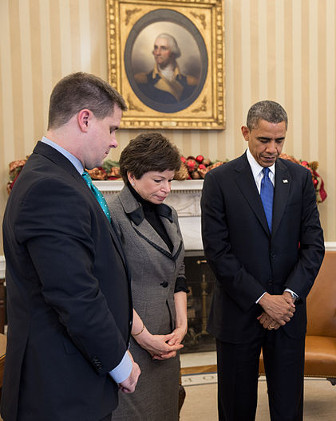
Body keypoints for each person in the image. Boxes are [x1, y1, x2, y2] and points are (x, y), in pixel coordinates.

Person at [1, 72, 141, 421]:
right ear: (84, 119)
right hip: (59, 390)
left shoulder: (58, 176)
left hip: (71, 381)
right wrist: (119, 364)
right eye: (112, 129)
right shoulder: (51, 187)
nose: (114, 143)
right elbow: (75, 295)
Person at [201, 100, 325, 421]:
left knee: (287, 409)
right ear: (246, 133)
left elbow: (313, 246)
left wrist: (286, 298)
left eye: (279, 140)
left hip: (287, 315)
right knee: (236, 408)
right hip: (238, 315)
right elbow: (218, 251)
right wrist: (262, 300)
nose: (273, 149)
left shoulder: (299, 178)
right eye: (264, 140)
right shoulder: (219, 181)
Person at [108, 133, 188, 420]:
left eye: (170, 179)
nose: (167, 188)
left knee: (167, 411)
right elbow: (109, 288)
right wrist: (144, 338)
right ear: (132, 175)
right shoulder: (112, 216)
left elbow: (178, 272)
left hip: (166, 341)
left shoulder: (169, 215)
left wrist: (182, 324)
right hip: (131, 341)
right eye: (158, 180)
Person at [134, 33, 199, 104]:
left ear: (173, 53)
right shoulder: (142, 81)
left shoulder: (191, 83)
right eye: (156, 47)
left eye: (163, 48)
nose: (157, 53)